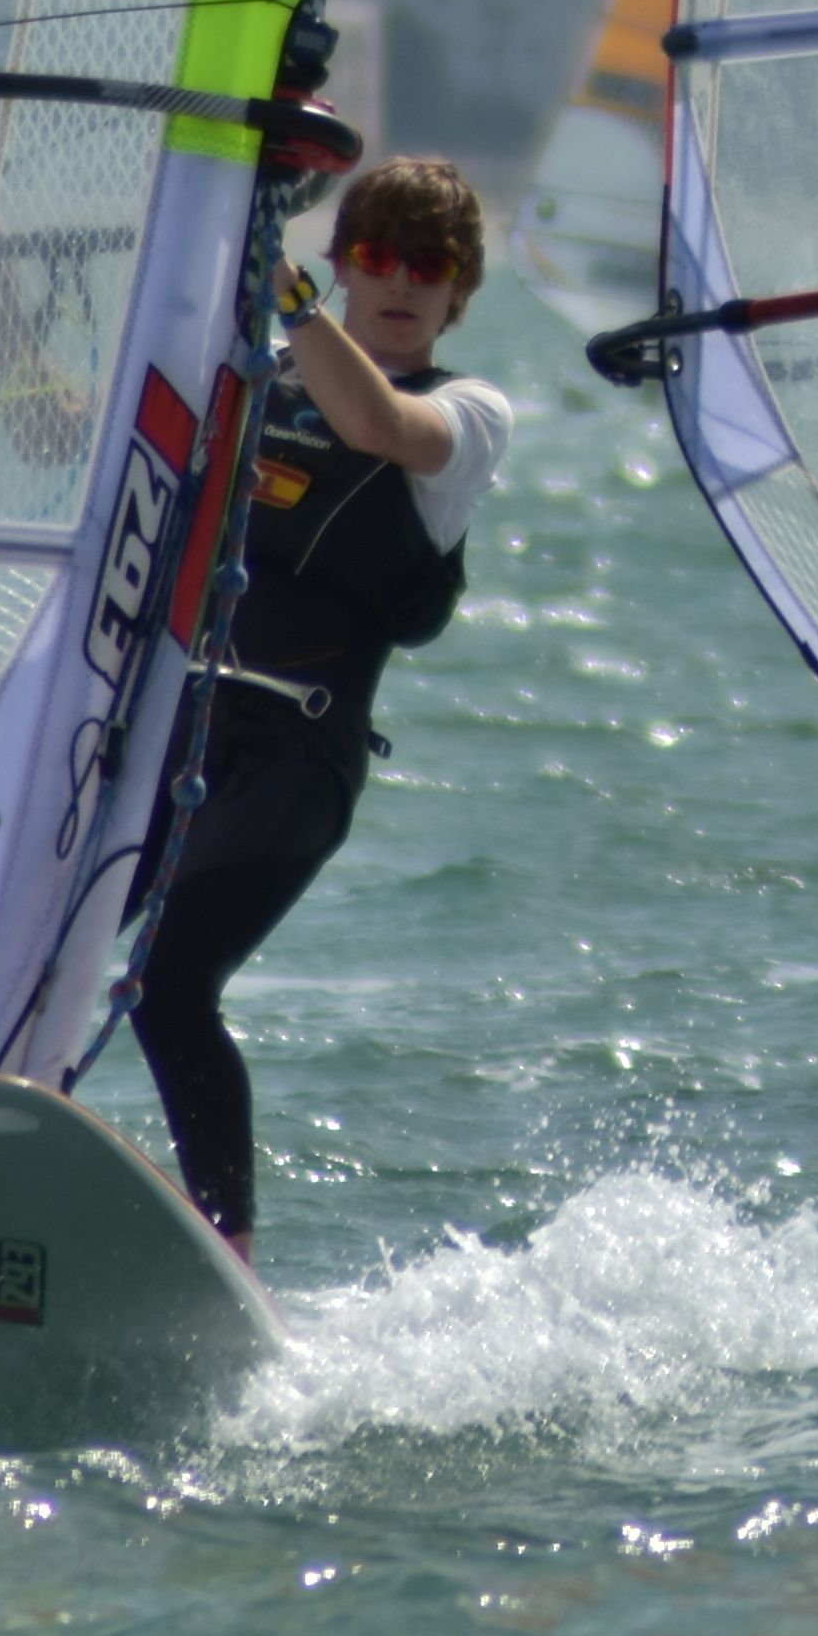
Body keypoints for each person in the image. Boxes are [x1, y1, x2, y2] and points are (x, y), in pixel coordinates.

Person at [130, 155, 516, 1257]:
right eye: (376, 256)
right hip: (173, 736)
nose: (399, 281)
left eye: (427, 266)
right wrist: (8, 293)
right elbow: (67, 431)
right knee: (23, 955)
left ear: (459, 293)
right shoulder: (254, 376)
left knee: (169, 986)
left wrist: (288, 295)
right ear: (348, 261)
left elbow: (379, 426)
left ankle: (230, 1255)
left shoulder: (469, 415)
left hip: (296, 766)